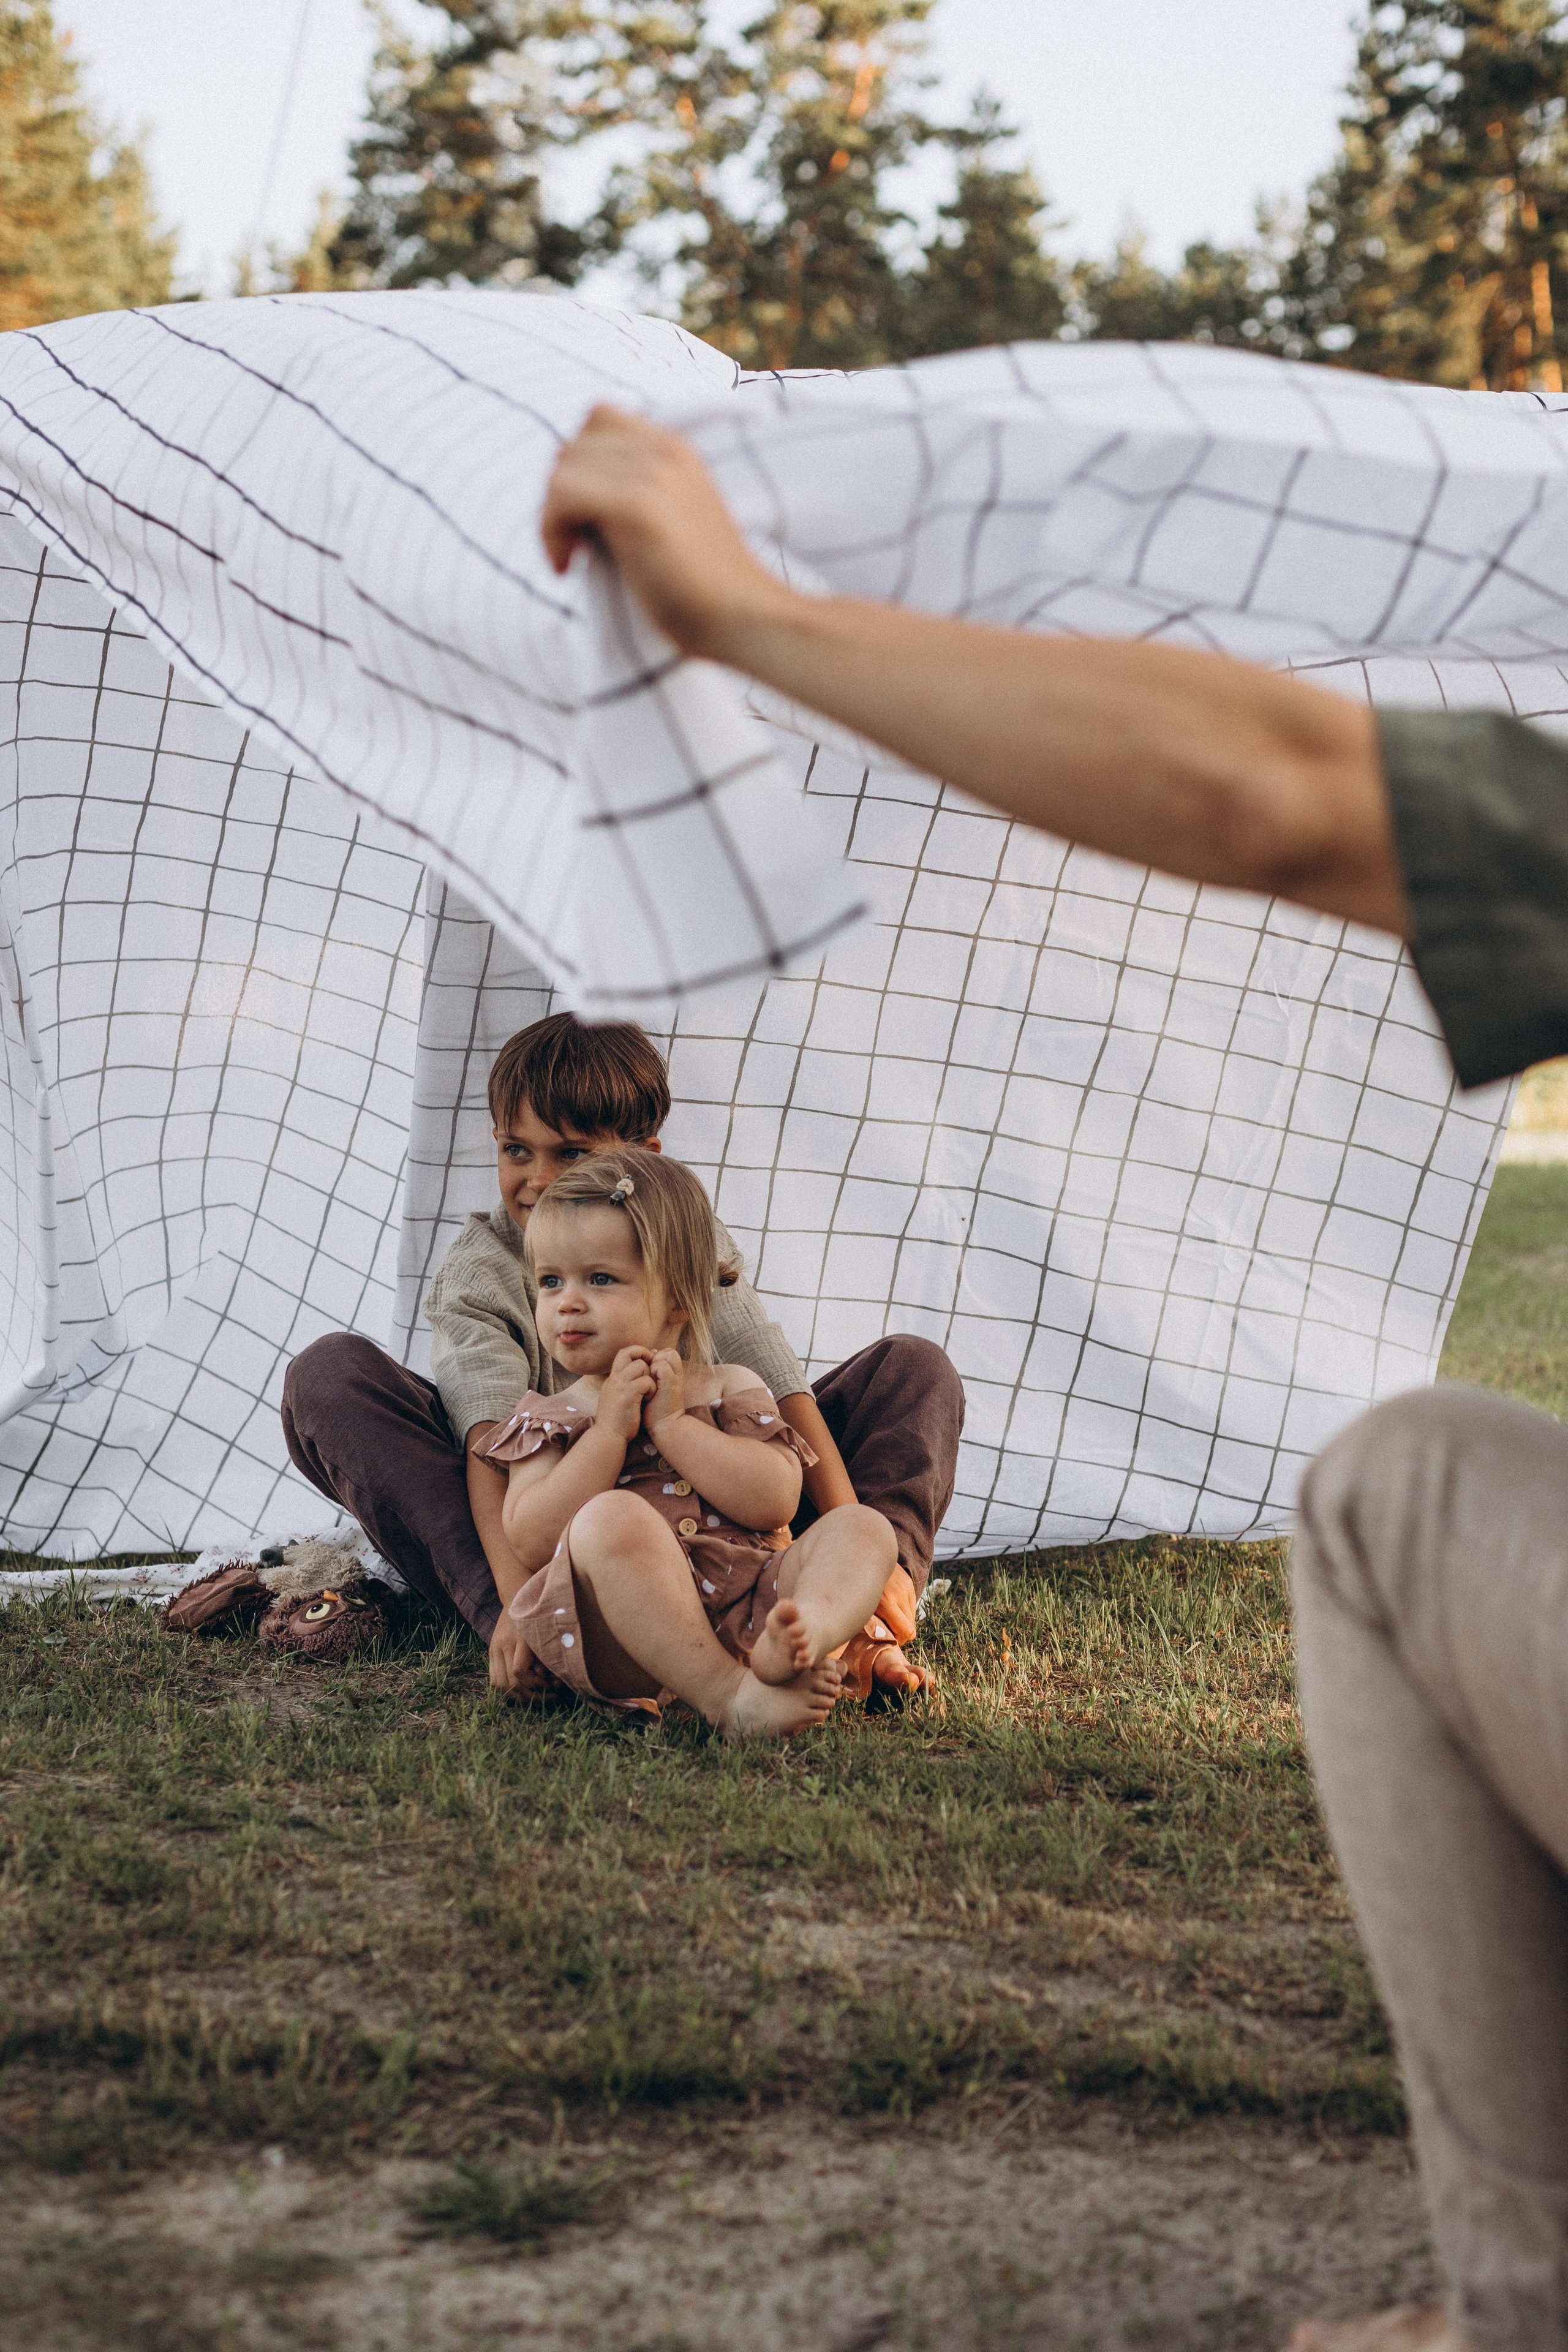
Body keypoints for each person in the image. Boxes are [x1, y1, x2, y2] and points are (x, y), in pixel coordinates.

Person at [541, 404, 1568, 2352]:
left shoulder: (736, 1334)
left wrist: (739, 610)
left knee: (1388, 1484)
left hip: (761, 1537)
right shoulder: (514, 1318)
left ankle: (1524, 2301)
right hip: (658, 1540)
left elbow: (1274, 781)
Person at [283, 1009, 961, 1702]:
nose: (537, 1178)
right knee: (330, 1375)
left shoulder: (681, 1235)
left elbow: (779, 1386)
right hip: (567, 1541)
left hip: (731, 1522)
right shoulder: (483, 1267)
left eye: (571, 1154)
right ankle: (536, 1644)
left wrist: (860, 1551)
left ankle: (861, 1616)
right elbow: (487, 1442)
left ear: (646, 1155)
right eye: (515, 1150)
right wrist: (514, 1609)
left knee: (912, 1370)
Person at [483, 1145, 897, 1738]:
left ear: (678, 1296)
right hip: (628, 1641)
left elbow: (776, 1501)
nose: (567, 1301)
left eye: (600, 1279)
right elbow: (531, 1536)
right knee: (608, 1520)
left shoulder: (730, 1387)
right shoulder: (551, 1417)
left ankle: (803, 1632)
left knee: (862, 1527)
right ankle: (729, 1698)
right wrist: (608, 1434)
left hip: (755, 1602)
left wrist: (674, 1428)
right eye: (550, 1282)